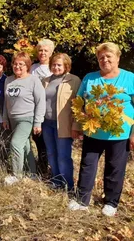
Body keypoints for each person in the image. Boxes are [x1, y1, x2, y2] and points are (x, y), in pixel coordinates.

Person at [68, 42, 134, 217]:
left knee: (115, 167)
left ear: (117, 58)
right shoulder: (90, 78)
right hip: (93, 131)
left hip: (119, 133)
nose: (104, 60)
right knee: (87, 165)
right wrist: (79, 121)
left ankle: (111, 203)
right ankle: (82, 200)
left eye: (108, 56)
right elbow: (79, 101)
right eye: (101, 57)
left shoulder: (129, 78)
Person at [3, 51, 46, 185]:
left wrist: (38, 122)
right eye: (15, 64)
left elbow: (41, 101)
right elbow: (6, 101)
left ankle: (17, 175)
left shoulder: (33, 80)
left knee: (15, 144)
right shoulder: (8, 80)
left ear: (27, 65)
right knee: (25, 146)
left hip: (27, 118)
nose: (18, 67)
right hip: (12, 119)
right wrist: (5, 118)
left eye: (21, 64)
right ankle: (32, 172)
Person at [41, 53, 81, 191]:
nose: (56, 67)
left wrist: (76, 125)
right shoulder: (45, 80)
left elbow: (79, 105)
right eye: (53, 64)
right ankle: (56, 181)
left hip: (63, 125)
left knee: (63, 156)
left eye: (59, 65)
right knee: (51, 153)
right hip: (47, 123)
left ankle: (68, 186)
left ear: (66, 66)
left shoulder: (74, 80)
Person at [30, 38, 55, 176]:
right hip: (33, 109)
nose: (43, 53)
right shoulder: (33, 68)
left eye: (46, 50)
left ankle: (50, 168)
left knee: (48, 141)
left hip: (49, 110)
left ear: (51, 52)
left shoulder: (54, 67)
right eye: (40, 50)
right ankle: (42, 167)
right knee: (38, 140)